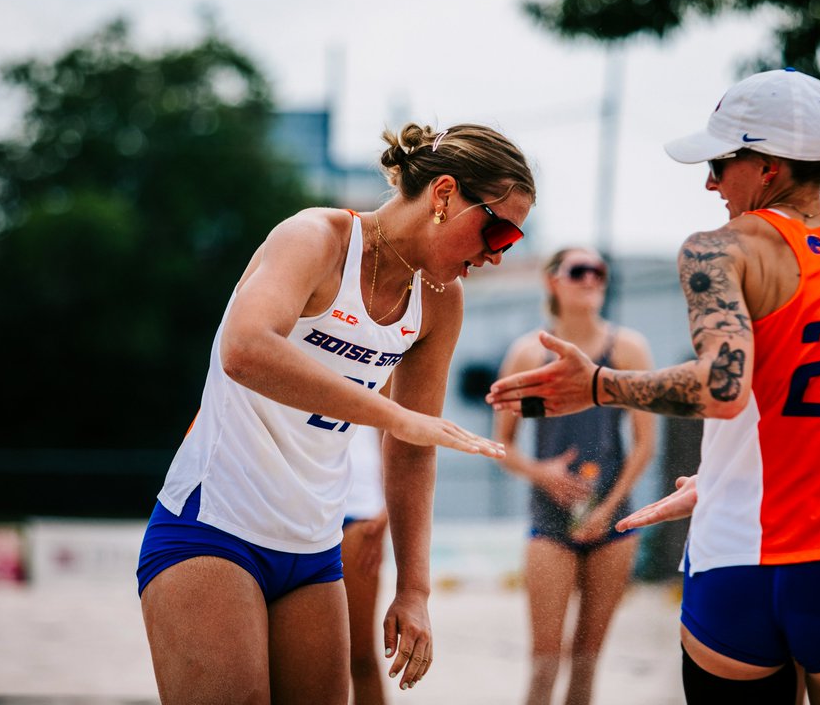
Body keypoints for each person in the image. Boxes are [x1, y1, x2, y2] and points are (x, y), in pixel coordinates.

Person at [488, 69, 820, 704]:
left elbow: (727, 388)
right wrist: (722, 475)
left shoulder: (717, 249)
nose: (709, 181)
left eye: (722, 163)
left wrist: (597, 384)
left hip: (736, 563)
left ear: (769, 167)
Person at [137, 122, 535, 705]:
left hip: (313, 548)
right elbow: (245, 350)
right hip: (214, 526)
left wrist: (416, 589)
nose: (496, 256)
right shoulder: (317, 238)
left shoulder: (440, 302)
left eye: (512, 242)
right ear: (444, 194)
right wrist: (390, 414)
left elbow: (411, 449)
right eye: (497, 232)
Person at [493, 247, 656, 705]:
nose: (591, 280)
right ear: (553, 282)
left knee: (586, 665)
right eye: (579, 271)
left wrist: (606, 511)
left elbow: (645, 445)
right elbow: (500, 443)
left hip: (613, 519)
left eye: (600, 272)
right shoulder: (528, 354)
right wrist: (540, 473)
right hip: (549, 518)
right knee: (544, 665)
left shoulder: (627, 348)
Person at [343, 422, 390, 705]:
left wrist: (387, 511)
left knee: (360, 654)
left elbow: (395, 432)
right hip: (293, 510)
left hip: (358, 511)